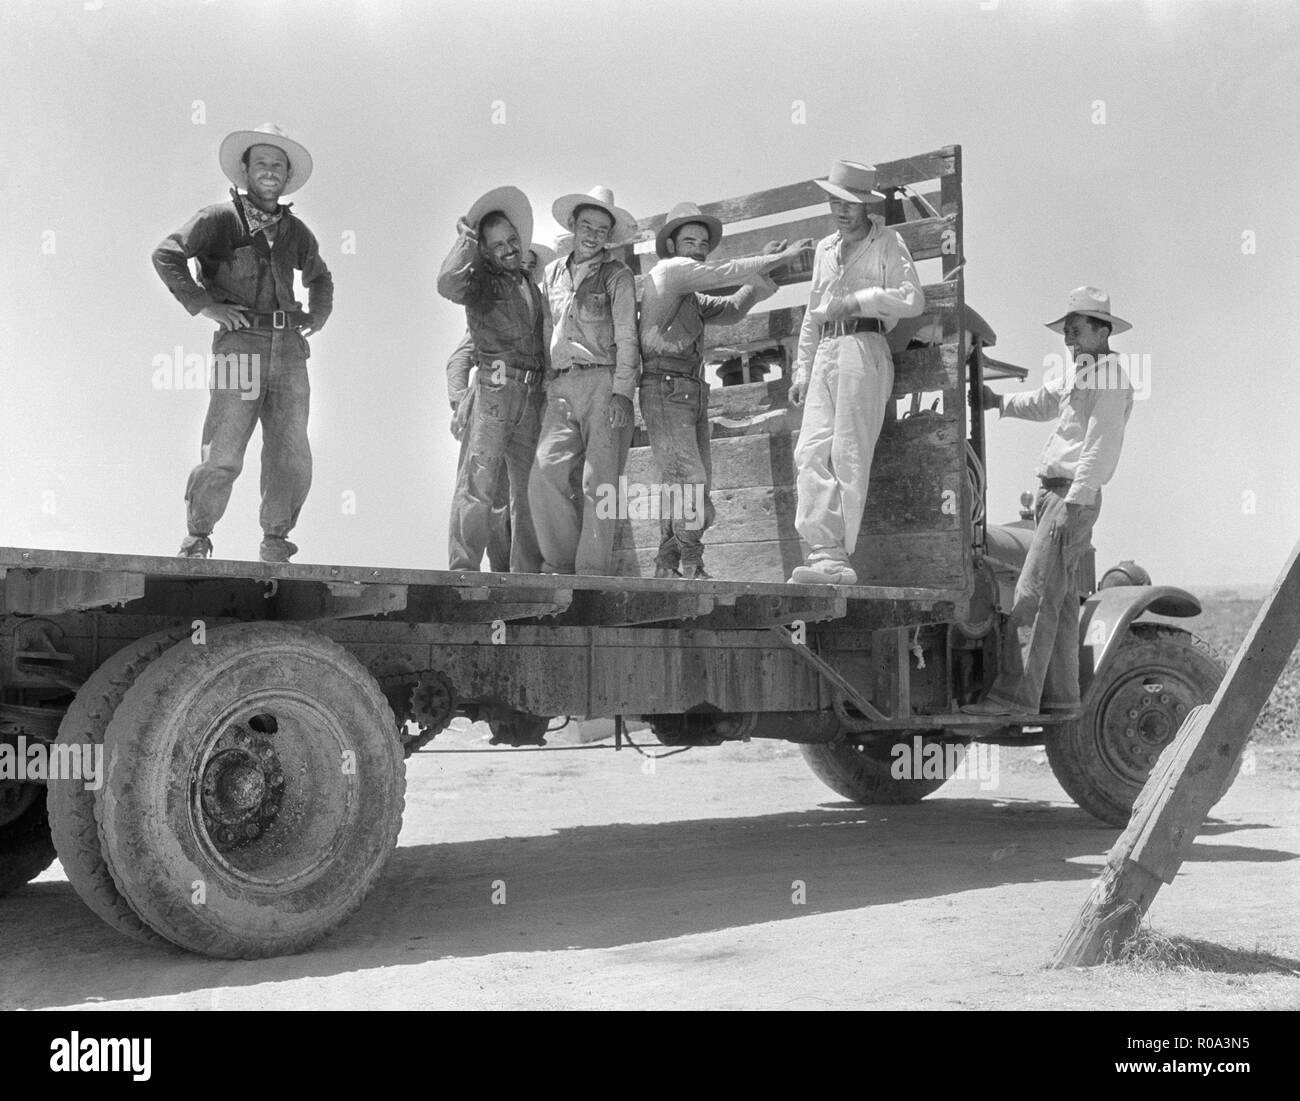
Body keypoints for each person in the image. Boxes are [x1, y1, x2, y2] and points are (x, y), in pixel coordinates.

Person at [153, 122, 333, 562]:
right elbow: (166, 254)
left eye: (277, 165)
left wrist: (317, 315)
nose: (269, 171)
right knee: (225, 450)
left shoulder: (297, 232)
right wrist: (204, 305)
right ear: (245, 172)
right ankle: (197, 537)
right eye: (261, 164)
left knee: (290, 451)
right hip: (240, 344)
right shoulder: (218, 220)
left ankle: (276, 541)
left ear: (286, 177)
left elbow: (321, 278)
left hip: (289, 349)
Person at [963, 287, 1136, 717]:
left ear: (1102, 330)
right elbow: (1044, 401)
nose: (1068, 338)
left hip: (1070, 496)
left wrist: (1075, 504)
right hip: (1057, 495)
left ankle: (1011, 700)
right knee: (1058, 602)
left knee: (1033, 594)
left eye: (1075, 330)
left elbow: (1099, 447)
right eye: (1067, 331)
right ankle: (1060, 698)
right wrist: (999, 401)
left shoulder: (1109, 377)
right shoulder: (1084, 372)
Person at [639, 202, 813, 578]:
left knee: (685, 480)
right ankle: (691, 562)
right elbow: (722, 272)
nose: (698, 247)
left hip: (689, 390)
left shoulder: (690, 294)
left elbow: (733, 308)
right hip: (666, 387)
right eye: (689, 240)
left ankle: (668, 564)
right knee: (691, 478)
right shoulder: (669, 273)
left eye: (703, 242)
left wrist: (766, 268)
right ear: (671, 246)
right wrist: (777, 258)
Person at [788, 160, 925, 585]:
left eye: (849, 203)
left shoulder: (887, 242)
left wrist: (861, 300)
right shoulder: (826, 249)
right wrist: (801, 367)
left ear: (866, 204)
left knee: (848, 454)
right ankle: (821, 552)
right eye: (835, 201)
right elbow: (813, 313)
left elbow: (911, 299)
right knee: (809, 451)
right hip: (827, 350)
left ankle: (836, 560)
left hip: (864, 347)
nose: (841, 210)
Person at [436, 186, 548, 573]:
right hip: (495, 390)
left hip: (531, 394)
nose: (508, 248)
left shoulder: (530, 287)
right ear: (484, 250)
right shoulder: (479, 284)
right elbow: (447, 284)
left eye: (512, 240)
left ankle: (526, 574)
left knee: (529, 489)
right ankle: (463, 569)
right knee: (479, 481)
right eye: (497, 244)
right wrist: (466, 239)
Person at [531, 186, 639, 575]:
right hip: (561, 383)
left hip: (603, 381)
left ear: (609, 236)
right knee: (544, 472)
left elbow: (627, 335)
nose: (593, 234)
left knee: (600, 482)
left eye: (601, 229)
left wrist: (623, 393)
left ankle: (591, 575)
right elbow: (548, 329)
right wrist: (548, 381)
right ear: (573, 227)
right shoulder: (553, 273)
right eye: (586, 226)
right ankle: (559, 567)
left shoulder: (617, 276)